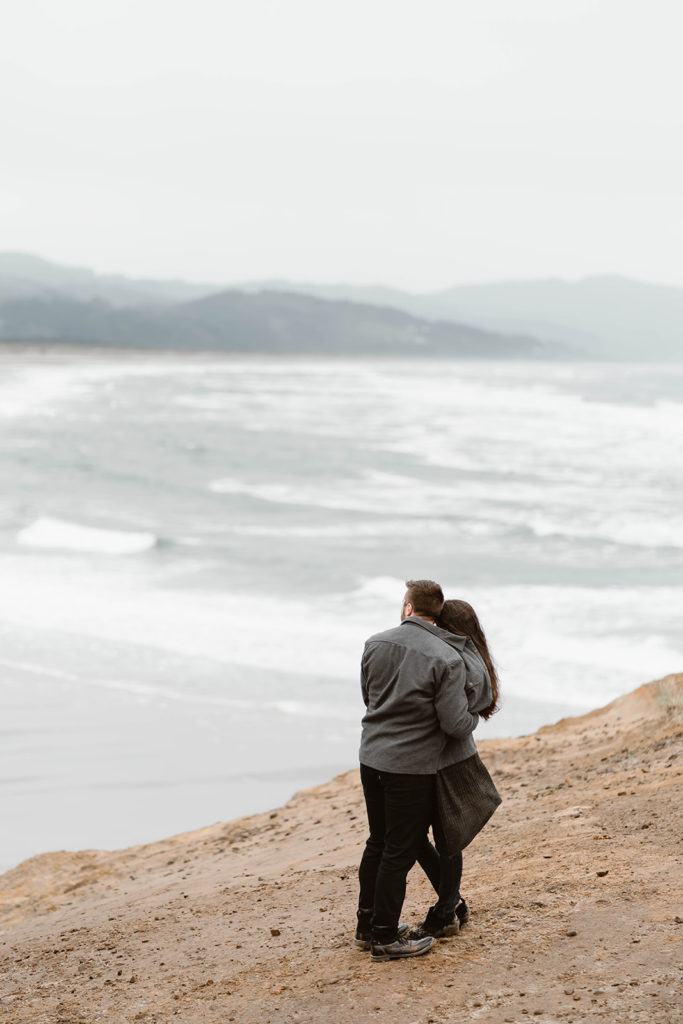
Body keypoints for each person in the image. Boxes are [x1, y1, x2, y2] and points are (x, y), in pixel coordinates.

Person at [355, 580, 480, 962]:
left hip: (371, 757)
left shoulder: (375, 643)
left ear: (408, 608)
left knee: (378, 842)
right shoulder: (447, 658)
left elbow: (369, 697)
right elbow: (455, 724)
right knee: (400, 850)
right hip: (410, 767)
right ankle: (384, 938)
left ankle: (366, 927)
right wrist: (474, 717)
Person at [412, 598, 501, 939]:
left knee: (441, 839)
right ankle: (451, 903)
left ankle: (446, 910)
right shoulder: (474, 654)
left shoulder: (458, 659)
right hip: (452, 756)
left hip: (446, 759)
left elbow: (458, 718)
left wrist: (466, 719)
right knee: (438, 837)